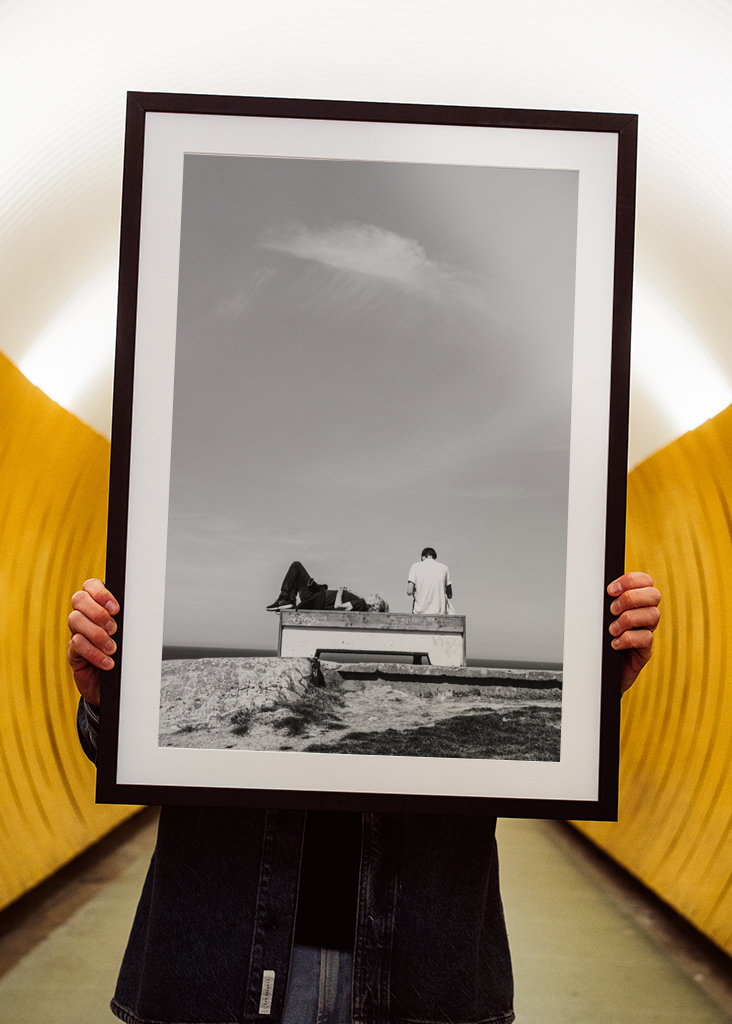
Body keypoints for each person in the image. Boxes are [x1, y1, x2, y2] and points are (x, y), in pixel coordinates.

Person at [68, 571, 660, 1024]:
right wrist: (108, 701)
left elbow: (542, 757)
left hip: (420, 970)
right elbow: (119, 751)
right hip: (223, 962)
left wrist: (592, 702)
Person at [266, 559, 388, 613]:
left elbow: (338, 606)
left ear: (374, 607)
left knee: (296, 566)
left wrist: (341, 590)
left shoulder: (361, 603)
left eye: (376, 597)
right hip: (318, 597)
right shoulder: (360, 604)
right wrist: (352, 592)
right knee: (297, 568)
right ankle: (287, 599)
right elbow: (348, 605)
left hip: (318, 599)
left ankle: (286, 599)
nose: (373, 594)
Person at [407, 546, 453, 614]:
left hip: (419, 613)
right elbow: (450, 595)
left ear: (423, 557)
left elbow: (409, 591)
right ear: (434, 557)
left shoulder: (415, 566)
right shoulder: (444, 568)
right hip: (439, 614)